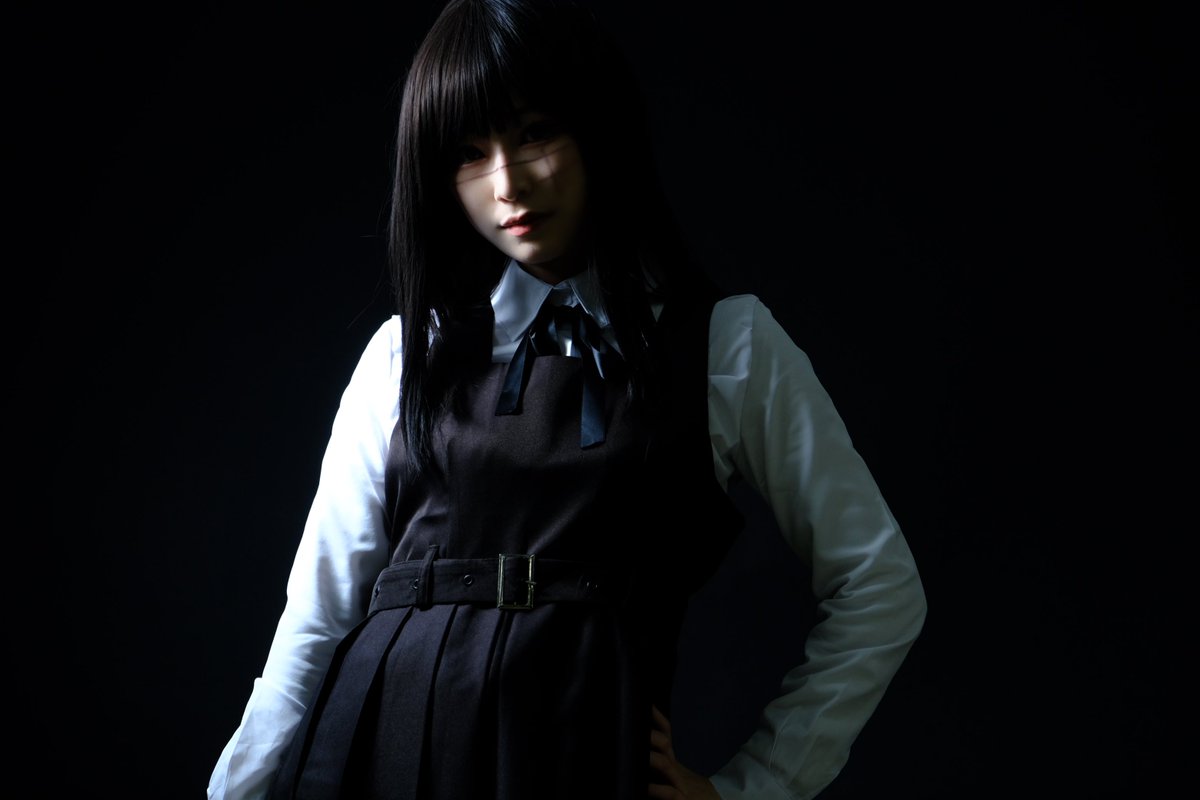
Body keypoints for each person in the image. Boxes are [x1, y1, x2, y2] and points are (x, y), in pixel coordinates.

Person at [207, 0, 927, 797]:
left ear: (598, 128)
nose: (507, 184)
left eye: (535, 133)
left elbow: (880, 586)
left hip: (578, 757)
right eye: (468, 152)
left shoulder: (726, 346)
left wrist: (756, 787)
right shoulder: (403, 354)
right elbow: (317, 618)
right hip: (381, 754)